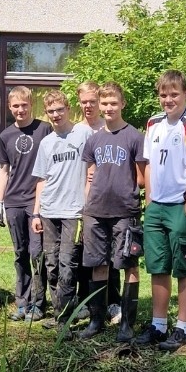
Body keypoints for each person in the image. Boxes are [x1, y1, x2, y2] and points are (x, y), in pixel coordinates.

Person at [135, 70, 186, 352]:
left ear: (185, 94)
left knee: (184, 267)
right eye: (163, 95)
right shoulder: (153, 123)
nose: (168, 100)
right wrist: (149, 202)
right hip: (157, 206)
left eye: (174, 94)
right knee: (158, 265)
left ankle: (183, 328)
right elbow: (149, 165)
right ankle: (158, 325)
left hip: (182, 206)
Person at [79, 82, 144, 342]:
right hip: (95, 212)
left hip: (125, 212)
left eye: (113, 103)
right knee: (98, 264)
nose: (108, 108)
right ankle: (96, 320)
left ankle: (127, 324)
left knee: (128, 264)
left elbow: (142, 178)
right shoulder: (94, 140)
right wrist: (85, 209)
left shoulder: (134, 137)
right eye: (104, 103)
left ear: (122, 104)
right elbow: (90, 176)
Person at [30, 90, 93, 325]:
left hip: (73, 211)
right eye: (51, 111)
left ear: (68, 109)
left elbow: (93, 169)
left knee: (68, 263)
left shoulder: (83, 134)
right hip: (49, 211)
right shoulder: (46, 143)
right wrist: (36, 213)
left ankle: (64, 318)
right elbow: (41, 179)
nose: (56, 115)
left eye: (59, 109)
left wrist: (88, 203)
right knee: (52, 264)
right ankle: (62, 311)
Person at [0, 86, 51, 320]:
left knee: (37, 253)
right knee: (20, 253)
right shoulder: (5, 135)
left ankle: (38, 303)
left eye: (24, 105)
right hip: (14, 201)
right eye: (16, 106)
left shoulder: (44, 129)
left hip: (37, 201)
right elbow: (4, 170)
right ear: (10, 108)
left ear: (31, 105)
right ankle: (22, 302)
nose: (21, 109)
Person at [75, 80, 121, 323]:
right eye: (84, 102)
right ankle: (86, 301)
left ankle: (113, 301)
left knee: (111, 255)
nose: (89, 106)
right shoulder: (75, 130)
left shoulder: (109, 127)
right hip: (83, 199)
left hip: (110, 201)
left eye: (93, 101)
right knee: (86, 254)